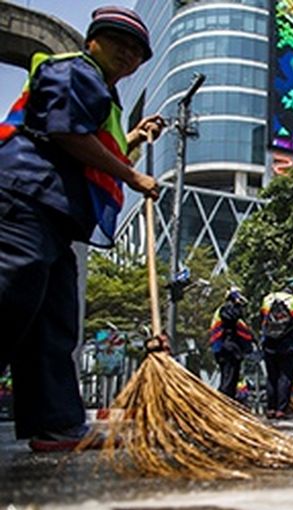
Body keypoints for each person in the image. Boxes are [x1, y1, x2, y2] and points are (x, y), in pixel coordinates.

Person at [0, 6, 162, 451]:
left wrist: (135, 139)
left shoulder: (103, 94)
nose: (128, 55)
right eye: (119, 43)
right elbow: (65, 133)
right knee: (9, 298)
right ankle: (57, 423)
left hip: (56, 214)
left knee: (53, 321)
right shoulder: (72, 69)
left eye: (136, 52)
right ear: (92, 41)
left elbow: (90, 146)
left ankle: (57, 425)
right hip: (24, 197)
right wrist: (134, 177)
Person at [260, 277, 293, 419]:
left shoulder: (268, 299)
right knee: (285, 377)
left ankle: (270, 408)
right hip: (289, 346)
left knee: (271, 377)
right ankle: (281, 410)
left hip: (269, 344)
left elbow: (263, 321)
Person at [208, 287, 255, 401]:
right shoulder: (226, 309)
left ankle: (228, 401)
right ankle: (224, 402)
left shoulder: (227, 309)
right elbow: (232, 317)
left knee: (231, 379)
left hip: (230, 349)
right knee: (228, 380)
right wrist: (237, 304)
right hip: (227, 349)